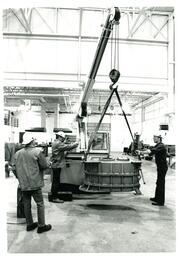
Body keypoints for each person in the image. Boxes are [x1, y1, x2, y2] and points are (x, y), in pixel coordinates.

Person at [12, 133, 52, 233]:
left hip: (24, 184)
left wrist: (19, 177)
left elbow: (13, 168)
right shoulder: (37, 152)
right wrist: (49, 164)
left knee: (27, 204)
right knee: (40, 204)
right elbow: (44, 166)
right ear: (32, 141)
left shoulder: (17, 154)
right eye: (34, 140)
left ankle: (29, 224)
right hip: (35, 183)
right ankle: (41, 226)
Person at [50, 131, 79, 202]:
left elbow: (63, 145)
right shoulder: (58, 143)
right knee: (56, 181)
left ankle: (54, 195)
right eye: (62, 138)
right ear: (60, 137)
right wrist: (76, 144)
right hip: (57, 165)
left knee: (55, 181)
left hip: (56, 164)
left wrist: (66, 142)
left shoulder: (55, 142)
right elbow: (68, 147)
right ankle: (55, 197)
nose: (63, 139)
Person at [149, 135, 168, 206]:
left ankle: (160, 202)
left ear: (159, 138)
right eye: (153, 137)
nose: (153, 139)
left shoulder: (161, 146)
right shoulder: (157, 145)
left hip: (162, 167)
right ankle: (157, 198)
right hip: (160, 166)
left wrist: (148, 151)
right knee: (158, 182)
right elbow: (152, 152)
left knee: (161, 183)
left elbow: (154, 150)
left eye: (155, 138)